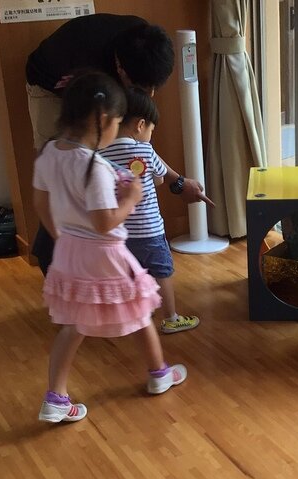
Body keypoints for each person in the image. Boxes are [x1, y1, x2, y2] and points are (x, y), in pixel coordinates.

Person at [33, 72, 187, 424]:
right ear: (102, 120)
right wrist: (131, 199)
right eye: (117, 123)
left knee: (75, 323)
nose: (117, 130)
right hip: (106, 253)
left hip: (69, 251)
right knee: (140, 311)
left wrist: (61, 237)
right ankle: (159, 374)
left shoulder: (48, 154)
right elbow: (104, 222)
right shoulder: (95, 167)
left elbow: (41, 204)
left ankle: (56, 397)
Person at [26, 14, 213, 274]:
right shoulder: (89, 64)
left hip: (95, 81)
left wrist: (177, 182)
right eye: (142, 88)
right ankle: (58, 257)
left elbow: (137, 147)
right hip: (51, 84)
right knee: (66, 172)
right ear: (121, 71)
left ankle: (83, 262)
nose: (148, 95)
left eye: (152, 88)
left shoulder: (143, 45)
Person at [99, 87, 200, 334]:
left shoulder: (101, 153)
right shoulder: (145, 150)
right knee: (161, 271)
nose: (150, 135)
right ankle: (171, 318)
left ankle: (135, 315)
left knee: (130, 273)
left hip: (120, 231)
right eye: (151, 130)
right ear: (140, 125)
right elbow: (159, 178)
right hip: (150, 230)